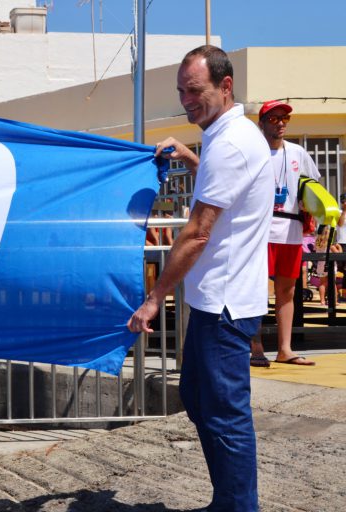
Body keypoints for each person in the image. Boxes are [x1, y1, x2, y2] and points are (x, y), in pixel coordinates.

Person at [127, 46, 273, 511]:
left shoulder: (228, 144)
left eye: (195, 90)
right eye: (181, 92)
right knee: (196, 394)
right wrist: (192, 157)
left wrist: (155, 297)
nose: (186, 100)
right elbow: (231, 192)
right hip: (222, 301)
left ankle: (237, 506)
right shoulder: (231, 137)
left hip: (224, 306)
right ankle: (228, 500)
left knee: (225, 415)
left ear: (225, 86)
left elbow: (197, 233)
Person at [249, 100, 319, 367]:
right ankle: (256, 348)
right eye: (274, 118)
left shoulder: (298, 152)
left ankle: (285, 349)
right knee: (255, 290)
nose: (280, 123)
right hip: (260, 229)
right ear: (263, 122)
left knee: (287, 291)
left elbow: (312, 187)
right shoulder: (254, 152)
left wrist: (313, 211)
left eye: (284, 119)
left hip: (290, 229)